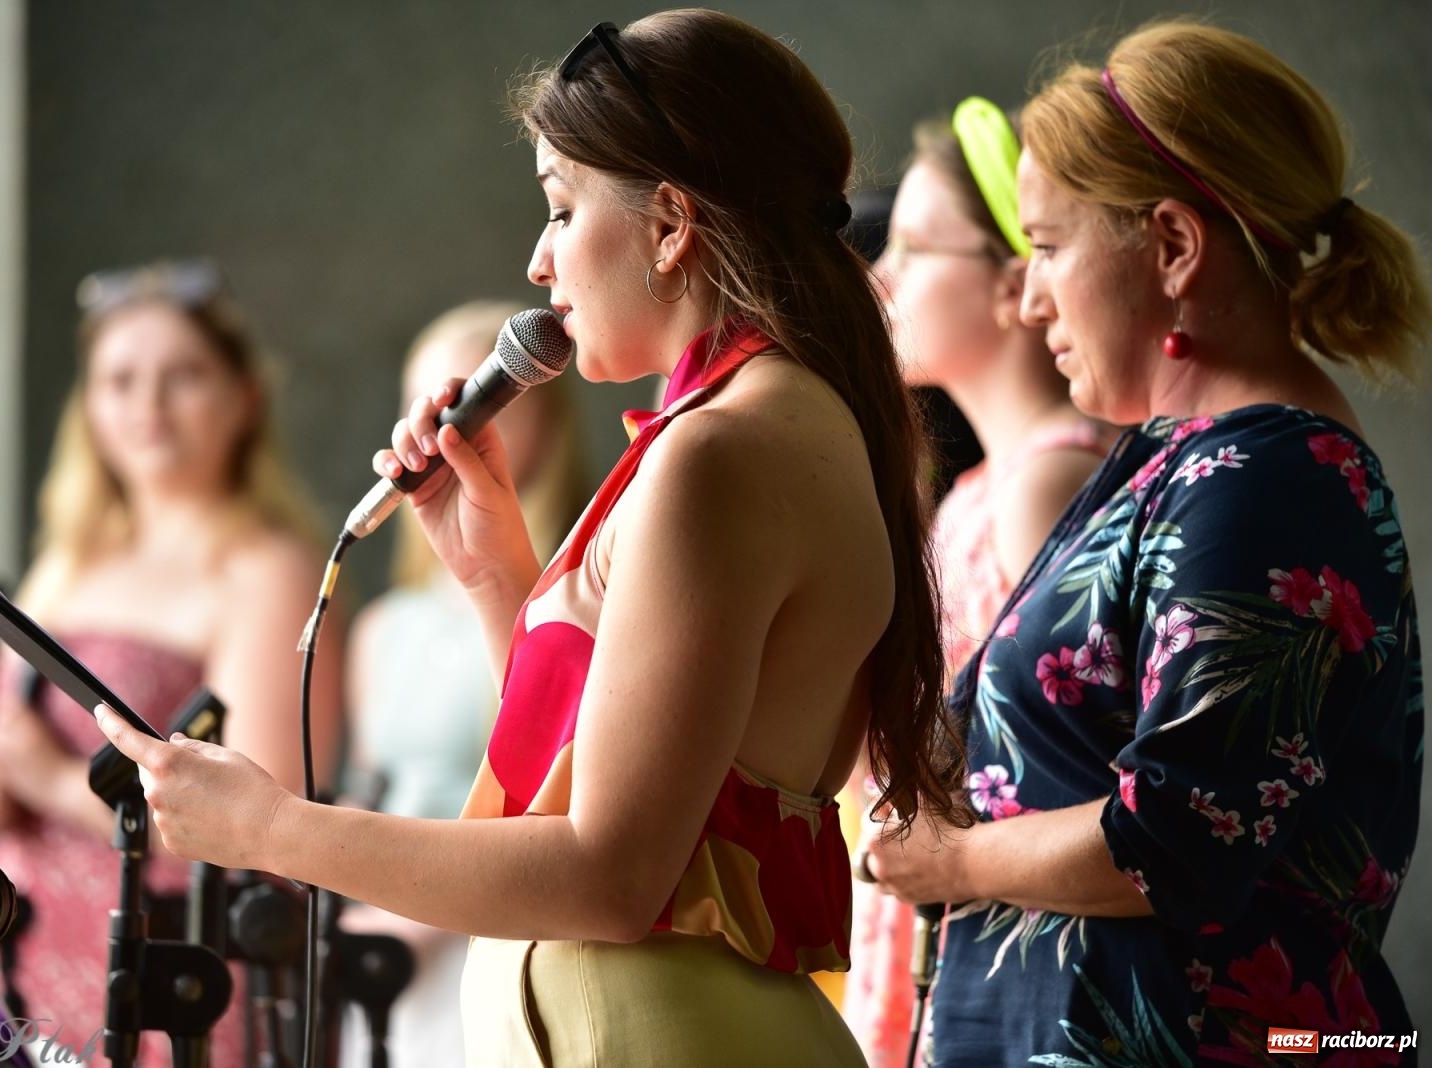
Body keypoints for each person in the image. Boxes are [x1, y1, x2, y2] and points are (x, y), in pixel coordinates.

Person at [93, 11, 966, 1064]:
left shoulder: (719, 452)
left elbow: (613, 877)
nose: (538, 259)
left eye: (560, 208)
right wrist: (495, 572)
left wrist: (273, 830)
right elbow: (628, 770)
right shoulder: (756, 424)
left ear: (671, 224)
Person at [863, 22, 1428, 1065]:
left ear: (1172, 246)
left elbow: (1173, 837)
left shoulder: (1269, 479)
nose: (1031, 295)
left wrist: (953, 861)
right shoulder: (1187, 462)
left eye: (1046, 246)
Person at [0, 259, 345, 1067]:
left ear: (244, 397)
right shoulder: (68, 561)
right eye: (120, 380)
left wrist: (52, 783)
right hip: (13, 973)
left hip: (161, 988)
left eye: (183, 376)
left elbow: (267, 822)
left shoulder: (265, 570)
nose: (148, 406)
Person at [846, 97, 1112, 1066]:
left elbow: (1073, 763)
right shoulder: (974, 489)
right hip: (940, 917)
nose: (879, 277)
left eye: (915, 249)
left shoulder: (1048, 481)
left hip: (1002, 943)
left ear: (1012, 283)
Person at [336, 300, 591, 1067]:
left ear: (543, 416)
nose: (450, 425)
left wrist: (420, 913)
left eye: (482, 396)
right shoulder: (385, 625)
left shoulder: (580, 596)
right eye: (427, 402)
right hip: (381, 951)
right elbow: (370, 791)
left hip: (495, 937)